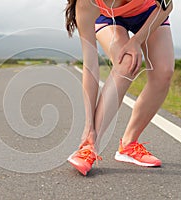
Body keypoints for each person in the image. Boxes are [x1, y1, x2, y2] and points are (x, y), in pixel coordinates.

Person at [65, 0, 174, 175]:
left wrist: (137, 41)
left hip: (151, 12)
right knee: (127, 63)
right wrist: (88, 126)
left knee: (164, 73)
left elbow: (167, 6)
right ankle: (89, 146)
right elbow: (90, 66)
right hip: (109, 18)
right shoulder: (86, 3)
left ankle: (129, 144)